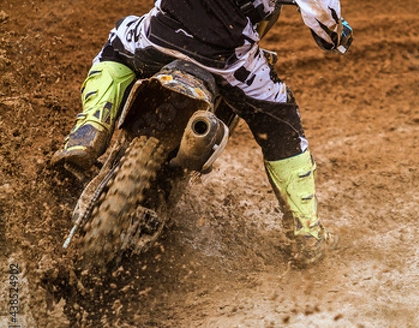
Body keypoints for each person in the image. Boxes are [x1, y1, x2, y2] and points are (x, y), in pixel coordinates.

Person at [51, 0, 353, 265]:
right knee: (282, 122)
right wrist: (337, 36)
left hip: (160, 35)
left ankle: (89, 129)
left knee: (116, 47)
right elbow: (323, 17)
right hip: (229, 63)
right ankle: (306, 234)